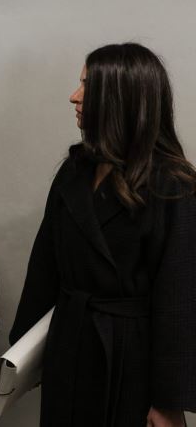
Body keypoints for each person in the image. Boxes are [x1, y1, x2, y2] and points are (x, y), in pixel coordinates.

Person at [10, 43, 196, 427]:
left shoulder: (173, 185)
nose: (74, 96)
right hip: (69, 344)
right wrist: (24, 353)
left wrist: (168, 400)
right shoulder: (74, 171)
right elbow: (45, 267)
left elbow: (179, 299)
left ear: (120, 98)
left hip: (132, 359)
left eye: (87, 86)